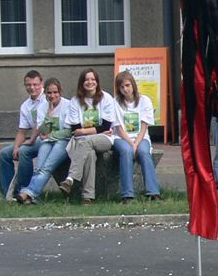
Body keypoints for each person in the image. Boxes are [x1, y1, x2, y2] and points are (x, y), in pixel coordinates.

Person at [59, 68, 117, 204]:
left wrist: (85, 131)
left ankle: (71, 178)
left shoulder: (106, 98)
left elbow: (106, 126)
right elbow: (75, 128)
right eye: (86, 79)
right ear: (82, 82)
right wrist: (95, 130)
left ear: (97, 82)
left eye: (93, 79)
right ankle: (87, 197)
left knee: (87, 142)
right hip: (85, 141)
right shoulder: (75, 101)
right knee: (89, 154)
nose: (90, 82)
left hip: (105, 139)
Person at [17, 78, 72, 204]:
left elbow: (68, 132)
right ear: (45, 93)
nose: (52, 96)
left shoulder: (68, 105)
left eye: (55, 92)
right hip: (47, 141)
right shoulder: (43, 107)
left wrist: (50, 136)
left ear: (60, 92)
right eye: (49, 93)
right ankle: (31, 196)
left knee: (46, 168)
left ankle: (27, 193)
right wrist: (49, 113)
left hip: (64, 142)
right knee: (39, 167)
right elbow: (42, 132)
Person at [112, 71, 162, 204]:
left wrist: (136, 143)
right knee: (126, 151)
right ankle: (127, 195)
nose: (125, 89)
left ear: (133, 84)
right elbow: (119, 128)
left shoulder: (145, 100)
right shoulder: (115, 102)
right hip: (121, 138)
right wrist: (131, 144)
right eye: (122, 87)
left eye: (127, 85)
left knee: (144, 152)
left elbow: (144, 126)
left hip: (141, 137)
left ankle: (153, 192)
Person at [0, 70, 47, 198]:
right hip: (35, 139)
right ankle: (8, 193)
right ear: (25, 85)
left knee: (24, 150)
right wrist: (15, 147)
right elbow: (21, 131)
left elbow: (40, 125)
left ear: (41, 84)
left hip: (47, 138)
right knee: (4, 154)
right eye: (29, 85)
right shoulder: (26, 106)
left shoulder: (48, 98)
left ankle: (23, 190)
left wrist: (29, 141)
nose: (32, 87)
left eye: (35, 84)